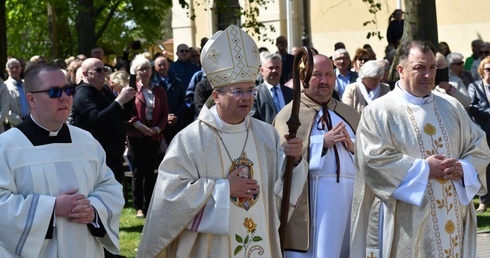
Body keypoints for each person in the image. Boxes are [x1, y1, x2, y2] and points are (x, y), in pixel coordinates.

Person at [137, 24, 308, 258]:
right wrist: (224, 188)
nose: (246, 98)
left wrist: (294, 160)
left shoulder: (266, 135)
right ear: (216, 96)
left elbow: (280, 190)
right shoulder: (191, 140)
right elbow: (169, 199)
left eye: (250, 90)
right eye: (238, 91)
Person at [350, 40, 490, 257]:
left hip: (453, 220)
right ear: (400, 70)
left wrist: (464, 168)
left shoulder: (450, 106)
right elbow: (372, 161)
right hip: (407, 222)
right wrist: (424, 169)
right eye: (419, 68)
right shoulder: (379, 111)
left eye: (432, 67)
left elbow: (478, 145)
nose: (428, 75)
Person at [0, 63, 124, 257]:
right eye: (54, 92)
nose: (64, 97)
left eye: (68, 89)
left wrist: (93, 210)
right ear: (32, 100)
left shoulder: (87, 142)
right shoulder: (6, 147)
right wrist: (52, 208)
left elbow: (109, 187)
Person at [274, 54, 360, 257]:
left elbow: (370, 154)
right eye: (317, 75)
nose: (324, 80)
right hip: (314, 203)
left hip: (350, 199)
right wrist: (322, 142)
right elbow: (280, 160)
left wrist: (354, 147)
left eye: (329, 74)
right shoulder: (289, 115)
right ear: (304, 78)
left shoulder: (350, 114)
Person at [71, 58, 136, 183]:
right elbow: (96, 119)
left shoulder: (105, 90)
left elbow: (123, 116)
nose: (103, 73)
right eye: (98, 70)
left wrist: (129, 99)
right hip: (96, 155)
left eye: (104, 69)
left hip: (114, 152)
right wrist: (119, 100)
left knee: (115, 192)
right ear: (85, 74)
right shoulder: (82, 93)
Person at [127, 55, 169, 218]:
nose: (144, 72)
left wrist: (158, 128)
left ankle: (150, 203)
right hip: (137, 135)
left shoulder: (159, 90)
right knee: (138, 171)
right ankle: (139, 207)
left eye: (147, 68)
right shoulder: (131, 90)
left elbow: (165, 112)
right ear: (135, 72)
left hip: (154, 135)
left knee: (151, 171)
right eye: (141, 69)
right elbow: (129, 113)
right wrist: (142, 128)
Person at [468, 56, 490, 213]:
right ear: (482, 70)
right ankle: (483, 201)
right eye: (488, 69)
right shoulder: (474, 86)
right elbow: (472, 107)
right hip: (482, 133)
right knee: (484, 167)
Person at [151, 56, 186, 145]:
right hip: (159, 125)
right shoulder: (152, 84)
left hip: (176, 123)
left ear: (168, 65)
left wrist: (176, 116)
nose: (162, 67)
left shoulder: (177, 82)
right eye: (159, 65)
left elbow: (183, 101)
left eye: (164, 64)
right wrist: (165, 117)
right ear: (155, 67)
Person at [251, 53, 293, 124]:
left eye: (277, 67)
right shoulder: (255, 94)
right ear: (261, 70)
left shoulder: (290, 93)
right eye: (271, 68)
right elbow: (253, 120)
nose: (274, 71)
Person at [5, 58, 29, 128]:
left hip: (30, 123)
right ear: (7, 70)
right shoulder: (5, 86)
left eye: (16, 67)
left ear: (20, 68)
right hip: (14, 126)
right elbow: (6, 111)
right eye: (12, 68)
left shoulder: (26, 84)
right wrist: (20, 123)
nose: (14, 70)